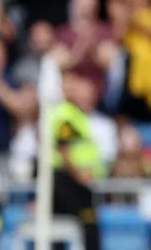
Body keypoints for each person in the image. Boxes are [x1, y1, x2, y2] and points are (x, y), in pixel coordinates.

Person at [50, 85, 106, 250]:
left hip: (76, 182)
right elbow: (63, 149)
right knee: (87, 225)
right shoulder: (67, 116)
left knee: (76, 228)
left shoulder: (79, 116)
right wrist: (79, 174)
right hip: (68, 182)